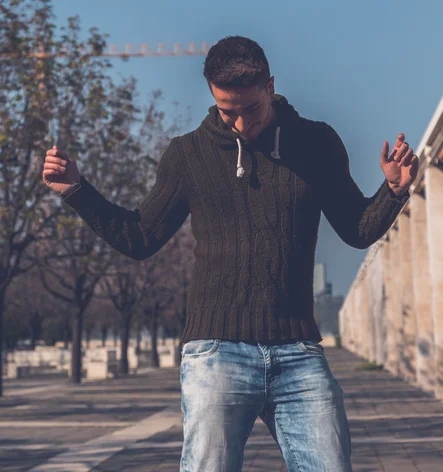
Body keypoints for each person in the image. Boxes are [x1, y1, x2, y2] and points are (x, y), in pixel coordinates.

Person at [42, 36, 418, 471]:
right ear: (212, 96)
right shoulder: (187, 155)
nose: (240, 123)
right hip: (216, 352)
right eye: (226, 110)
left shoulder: (316, 143)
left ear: (271, 87)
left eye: (251, 109)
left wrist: (393, 191)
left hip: (297, 350)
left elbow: (356, 229)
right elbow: (140, 237)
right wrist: (76, 190)